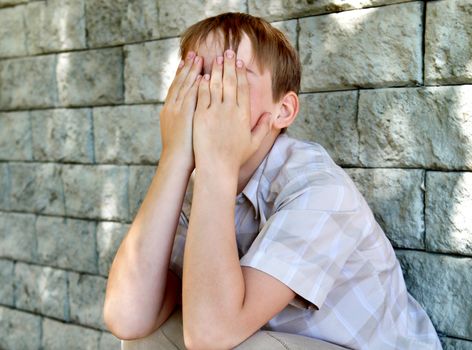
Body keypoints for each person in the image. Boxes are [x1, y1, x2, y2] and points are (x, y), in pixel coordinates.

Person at [104, 12, 443, 350]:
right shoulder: (201, 187)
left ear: (282, 110)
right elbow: (128, 317)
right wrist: (174, 157)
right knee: (149, 337)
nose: (210, 93)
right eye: (198, 76)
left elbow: (210, 335)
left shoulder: (319, 189)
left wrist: (217, 165)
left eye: (231, 76)